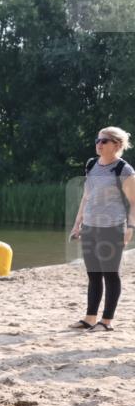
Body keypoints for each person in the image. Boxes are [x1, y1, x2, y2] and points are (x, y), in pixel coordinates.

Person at [68, 127, 135, 331]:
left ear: (116, 144)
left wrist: (130, 227)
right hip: (90, 227)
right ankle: (89, 318)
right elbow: (86, 196)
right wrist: (77, 223)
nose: (99, 143)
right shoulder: (91, 164)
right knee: (93, 274)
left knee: (110, 274)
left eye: (104, 141)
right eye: (97, 140)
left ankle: (106, 321)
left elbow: (134, 201)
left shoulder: (123, 169)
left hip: (112, 228)